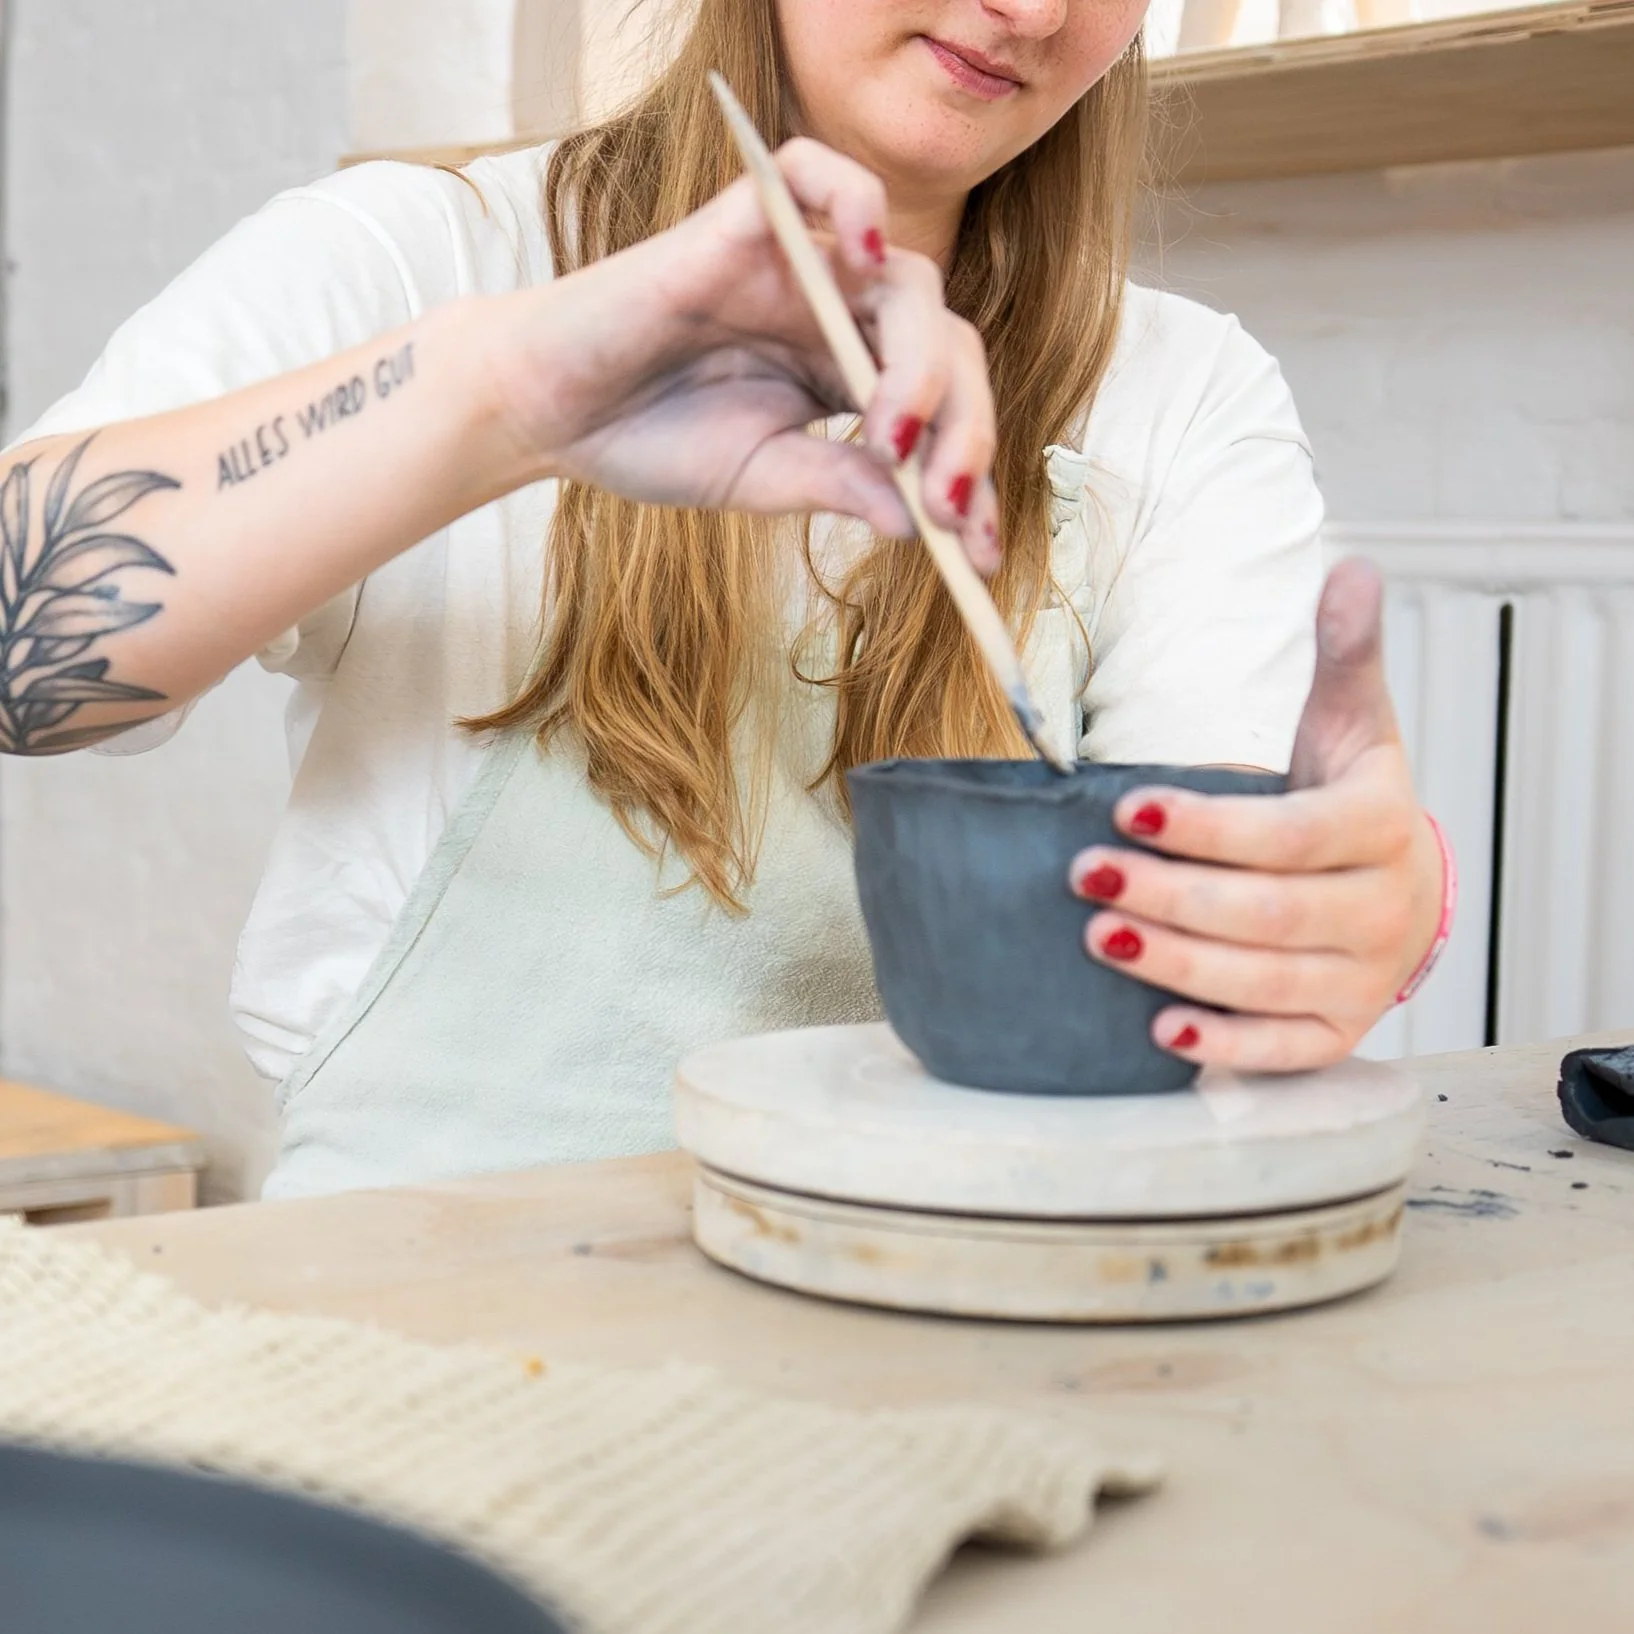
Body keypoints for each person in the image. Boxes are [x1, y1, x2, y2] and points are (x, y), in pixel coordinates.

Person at [0, 1, 1447, 1199]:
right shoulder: (417, 262)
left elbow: (1192, 989)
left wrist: (1341, 909)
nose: (1036, 10)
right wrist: (503, 400)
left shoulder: (1183, 395)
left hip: (939, 1301)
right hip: (416, 1302)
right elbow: (21, 660)